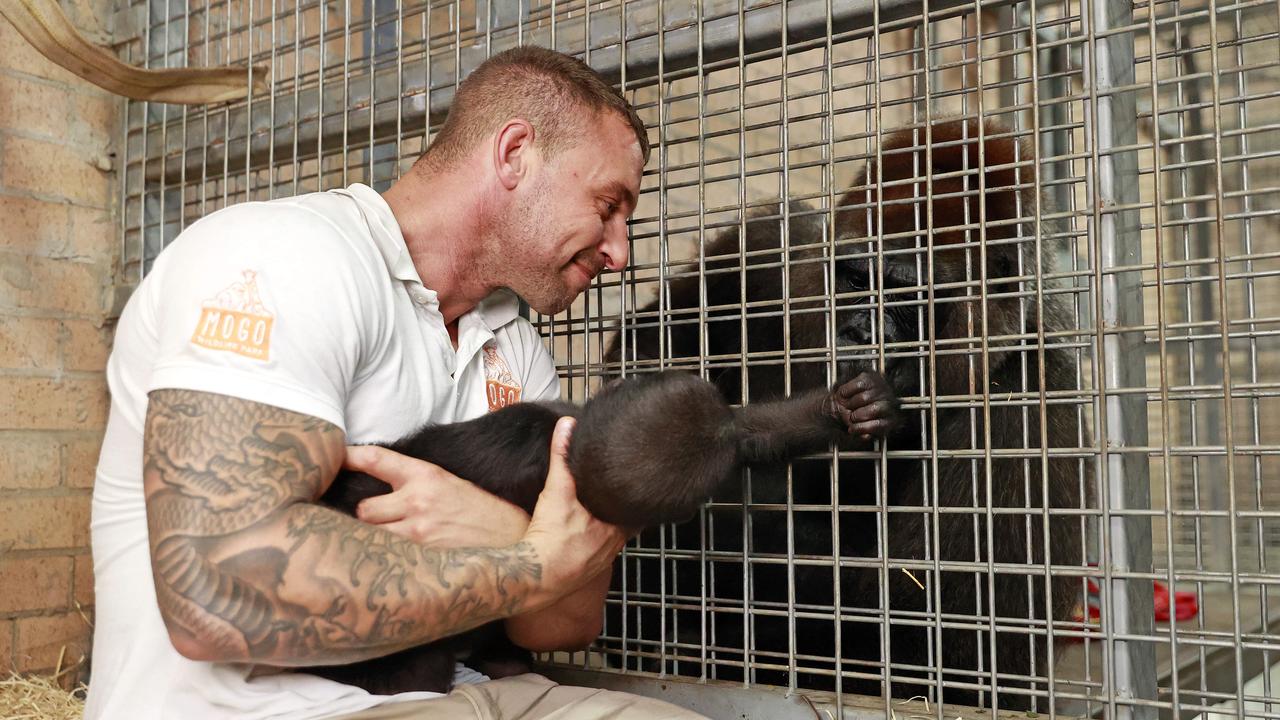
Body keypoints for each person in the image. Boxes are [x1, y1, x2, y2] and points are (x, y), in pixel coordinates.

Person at [84, 46, 709, 720]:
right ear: (515, 154)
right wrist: (527, 560)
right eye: (607, 205)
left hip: (466, 687)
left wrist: (502, 535)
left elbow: (568, 620)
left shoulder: (516, 350)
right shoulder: (280, 258)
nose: (620, 252)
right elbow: (214, 592)